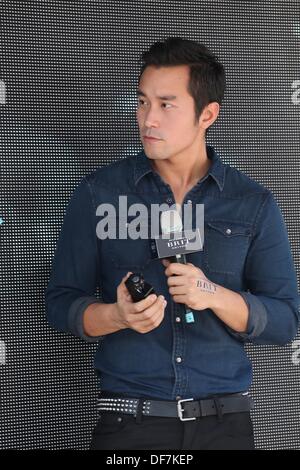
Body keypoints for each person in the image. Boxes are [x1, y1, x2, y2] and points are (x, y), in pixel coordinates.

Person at [45, 37, 299, 450]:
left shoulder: (252, 202)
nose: (147, 119)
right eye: (142, 102)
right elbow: (60, 302)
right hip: (129, 424)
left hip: (225, 425)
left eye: (166, 104)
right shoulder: (100, 193)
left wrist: (213, 294)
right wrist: (117, 315)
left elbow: (286, 320)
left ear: (208, 114)